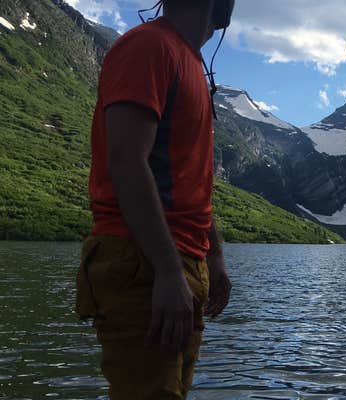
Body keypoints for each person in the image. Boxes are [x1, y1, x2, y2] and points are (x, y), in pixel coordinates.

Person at [75, 0, 236, 398]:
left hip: (179, 261)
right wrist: (167, 270)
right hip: (143, 261)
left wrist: (213, 255)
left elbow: (189, 180)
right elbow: (127, 161)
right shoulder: (149, 46)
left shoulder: (188, 60)